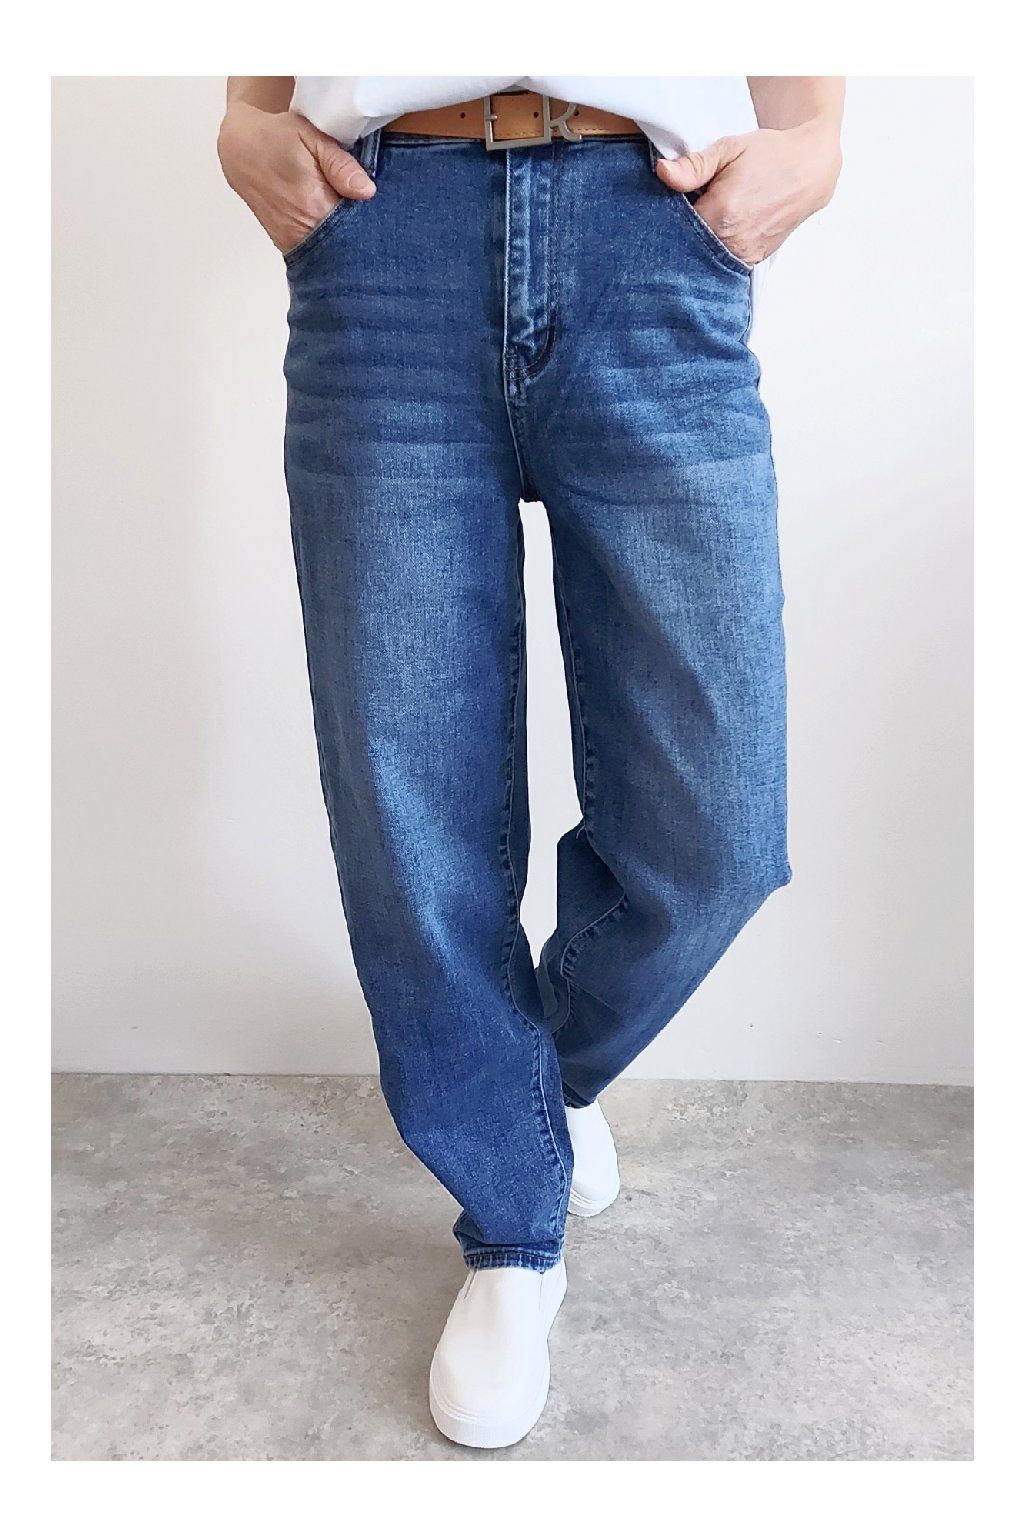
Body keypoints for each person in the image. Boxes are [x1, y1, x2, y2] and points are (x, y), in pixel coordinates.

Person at [218, 75, 844, 1449]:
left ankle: (541, 1086)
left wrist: (817, 143)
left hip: (653, 228)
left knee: (720, 831)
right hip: (384, 231)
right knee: (409, 800)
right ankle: (512, 1225)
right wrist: (242, 116)